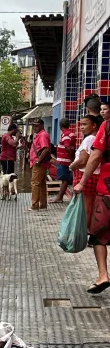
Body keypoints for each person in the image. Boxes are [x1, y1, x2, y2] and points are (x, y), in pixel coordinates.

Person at [75, 109, 110, 293]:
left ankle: (103, 275)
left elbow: (95, 156)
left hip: (107, 190)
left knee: (98, 235)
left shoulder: (106, 127)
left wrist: (82, 182)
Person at [71, 115, 102, 232]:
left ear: (94, 126)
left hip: (86, 175)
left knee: (86, 206)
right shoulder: (96, 138)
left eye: (85, 124)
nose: (81, 127)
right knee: (90, 204)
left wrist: (71, 166)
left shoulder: (90, 139)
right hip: (94, 175)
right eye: (81, 124)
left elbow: (83, 161)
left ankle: (86, 231)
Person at [28, 118, 52, 211]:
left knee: (35, 184)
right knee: (41, 184)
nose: (34, 127)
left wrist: (38, 161)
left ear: (42, 126)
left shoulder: (42, 135)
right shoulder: (40, 135)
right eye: (33, 125)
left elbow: (45, 149)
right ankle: (42, 205)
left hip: (39, 163)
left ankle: (34, 205)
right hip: (40, 163)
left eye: (36, 125)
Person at [52, 119, 77, 203]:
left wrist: (71, 158)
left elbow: (68, 147)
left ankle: (59, 197)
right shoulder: (71, 134)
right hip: (65, 160)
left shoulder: (66, 135)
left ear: (60, 126)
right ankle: (60, 197)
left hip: (64, 161)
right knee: (65, 179)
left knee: (64, 179)